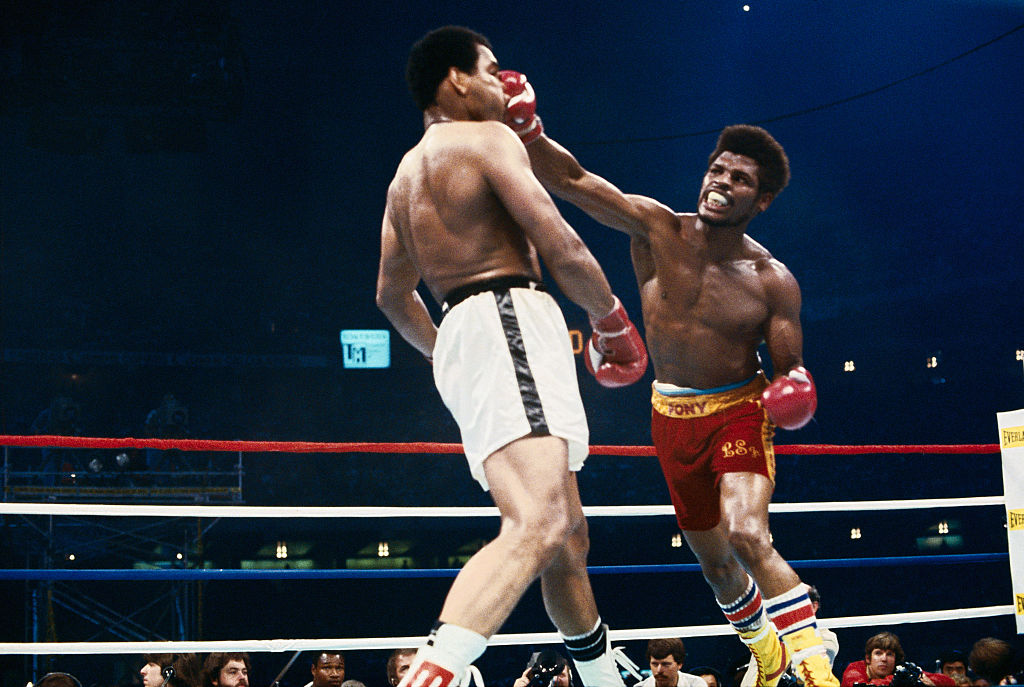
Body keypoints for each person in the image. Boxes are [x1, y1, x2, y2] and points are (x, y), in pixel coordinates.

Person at [498, 71, 827, 687]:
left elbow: (790, 373)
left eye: (741, 180)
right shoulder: (657, 228)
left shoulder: (771, 279)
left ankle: (816, 665)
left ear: (762, 201)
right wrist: (527, 129)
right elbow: (570, 180)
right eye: (719, 170)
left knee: (746, 531)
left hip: (738, 408)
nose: (723, 184)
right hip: (671, 416)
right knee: (716, 566)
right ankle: (767, 650)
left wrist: (796, 387)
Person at [376, 26, 646, 687]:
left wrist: (450, 358)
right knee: (538, 520)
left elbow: (391, 294)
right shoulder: (488, 139)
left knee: (568, 535)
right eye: (491, 70)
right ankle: (433, 673)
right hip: (508, 317)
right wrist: (611, 321)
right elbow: (561, 243)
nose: (504, 82)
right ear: (456, 80)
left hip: (474, 335)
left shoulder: (404, 176)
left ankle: (600, 675)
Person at [839, 632, 952, 687]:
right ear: (868, 658)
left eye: (889, 654)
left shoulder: (901, 671)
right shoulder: (855, 669)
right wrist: (895, 681)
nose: (884, 659)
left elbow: (949, 681)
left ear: (896, 659)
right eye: (878, 653)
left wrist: (930, 682)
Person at [634, 639, 706, 687]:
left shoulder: (695, 684)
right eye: (654, 664)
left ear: (679, 664)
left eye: (665, 664)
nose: (659, 670)